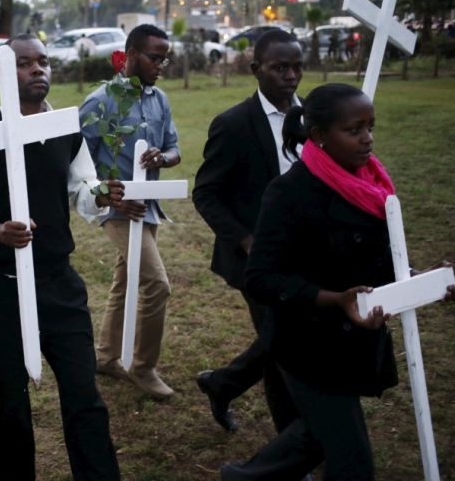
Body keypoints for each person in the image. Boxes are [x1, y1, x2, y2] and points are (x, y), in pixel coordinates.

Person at [222, 82, 455, 480]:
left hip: (353, 343)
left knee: (314, 437)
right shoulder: (290, 192)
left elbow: (374, 261)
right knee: (353, 462)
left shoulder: (371, 185)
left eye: (371, 127)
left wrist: (419, 280)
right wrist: (335, 299)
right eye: (354, 130)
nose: (368, 139)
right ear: (319, 136)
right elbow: (260, 278)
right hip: (306, 346)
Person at [0, 33, 123, 480]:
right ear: (4, 70)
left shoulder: (64, 127)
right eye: (24, 63)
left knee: (85, 397)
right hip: (1, 290)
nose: (37, 69)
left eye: (42, 62)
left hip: (60, 284)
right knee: (6, 404)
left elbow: (82, 187)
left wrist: (100, 194)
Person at [192, 29, 304, 433]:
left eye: (296, 67)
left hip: (309, 252)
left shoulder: (315, 117)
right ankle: (292, 452)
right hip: (257, 258)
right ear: (256, 69)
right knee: (281, 345)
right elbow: (206, 194)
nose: (290, 76)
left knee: (284, 339)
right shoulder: (234, 124)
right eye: (279, 67)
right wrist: (247, 241)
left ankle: (222, 384)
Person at [80, 24, 181, 399]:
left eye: (164, 58)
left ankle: (106, 357)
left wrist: (163, 157)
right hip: (118, 211)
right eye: (155, 57)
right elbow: (77, 165)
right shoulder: (100, 102)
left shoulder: (159, 100)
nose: (161, 65)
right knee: (156, 284)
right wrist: (108, 195)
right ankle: (144, 367)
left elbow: (175, 148)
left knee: (126, 281)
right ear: (132, 54)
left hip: (149, 207)